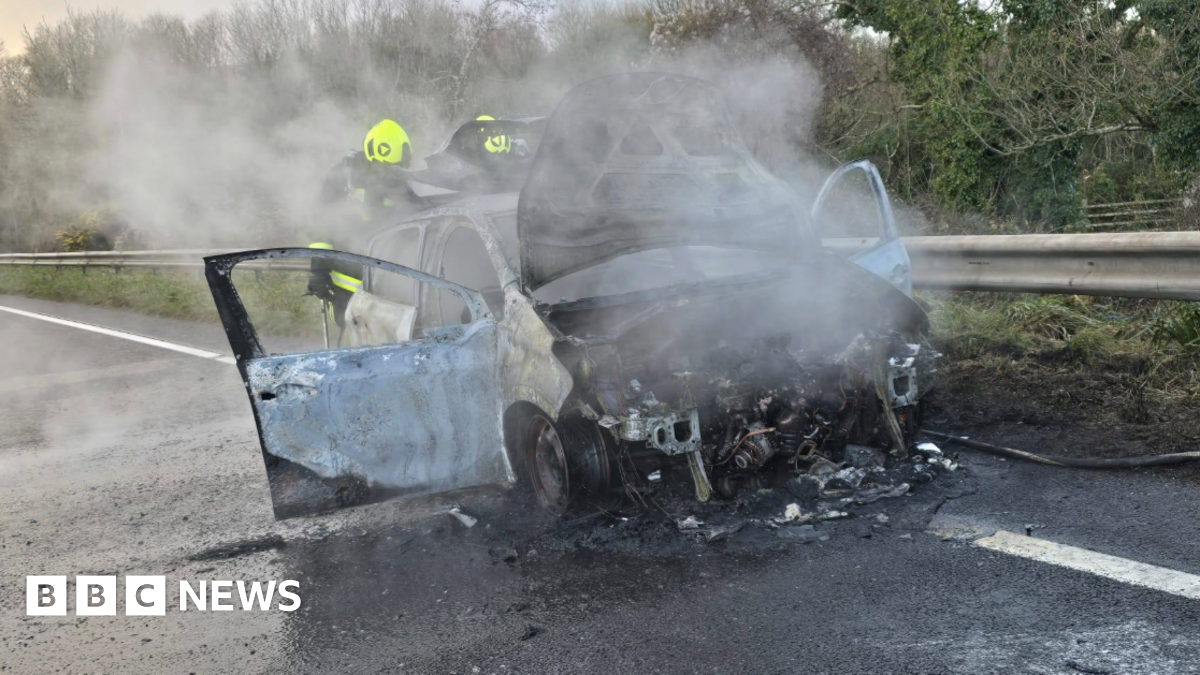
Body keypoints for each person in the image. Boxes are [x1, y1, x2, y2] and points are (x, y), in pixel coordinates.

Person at [309, 119, 417, 341]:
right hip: (346, 285)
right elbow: (321, 223)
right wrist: (319, 271)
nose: (392, 173)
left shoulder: (397, 181)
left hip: (385, 285)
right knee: (356, 345)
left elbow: (414, 217)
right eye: (388, 168)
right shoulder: (342, 178)